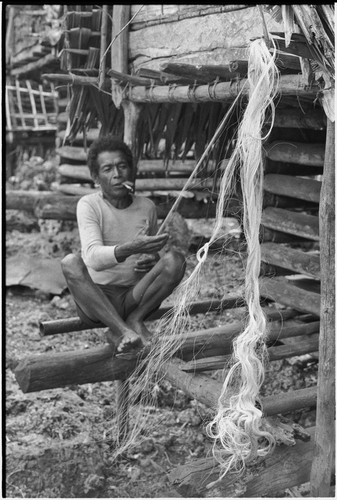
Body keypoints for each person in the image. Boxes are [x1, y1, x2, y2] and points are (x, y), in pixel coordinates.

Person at [61, 136, 186, 357]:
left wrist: (153, 259)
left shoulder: (146, 207)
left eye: (122, 166)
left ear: (131, 170)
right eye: (107, 169)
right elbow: (93, 259)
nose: (117, 174)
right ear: (95, 177)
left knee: (175, 260)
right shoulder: (89, 205)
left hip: (134, 296)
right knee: (70, 263)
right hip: (97, 300)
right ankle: (121, 330)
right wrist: (131, 247)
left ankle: (135, 321)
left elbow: (150, 253)